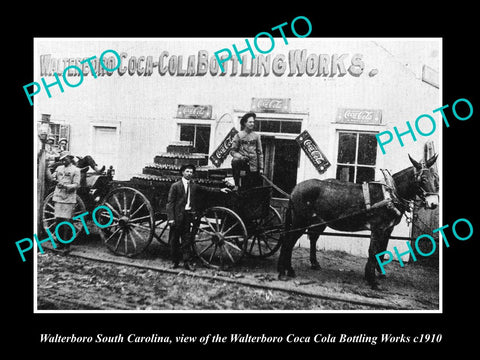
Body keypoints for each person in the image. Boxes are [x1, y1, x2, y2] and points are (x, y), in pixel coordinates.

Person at [166, 164, 231, 270]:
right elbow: (170, 203)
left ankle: (187, 263)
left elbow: (207, 189)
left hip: (187, 216)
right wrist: (171, 218)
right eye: (187, 171)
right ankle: (175, 262)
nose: (189, 174)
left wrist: (220, 190)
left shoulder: (194, 185)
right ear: (182, 172)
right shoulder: (175, 186)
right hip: (177, 217)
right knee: (174, 240)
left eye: (191, 172)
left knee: (186, 240)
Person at [45, 151, 81, 253]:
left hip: (69, 199)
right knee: (58, 222)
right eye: (62, 159)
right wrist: (47, 167)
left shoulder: (76, 170)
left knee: (67, 223)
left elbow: (77, 185)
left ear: (70, 158)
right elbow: (52, 178)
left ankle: (67, 245)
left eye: (65, 158)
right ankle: (60, 243)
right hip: (58, 198)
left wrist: (65, 186)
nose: (63, 160)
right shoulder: (59, 169)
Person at [230, 112, 264, 189]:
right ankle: (236, 185)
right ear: (245, 123)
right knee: (235, 161)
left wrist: (261, 168)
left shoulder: (256, 136)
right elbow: (232, 151)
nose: (252, 124)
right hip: (242, 166)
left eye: (253, 122)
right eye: (250, 122)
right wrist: (240, 157)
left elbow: (260, 153)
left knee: (253, 189)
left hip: (254, 167)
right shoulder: (238, 135)